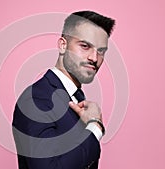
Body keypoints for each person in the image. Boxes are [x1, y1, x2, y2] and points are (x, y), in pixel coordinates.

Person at [12, 10, 115, 169]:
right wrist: (95, 127)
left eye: (101, 51)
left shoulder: (75, 98)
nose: (94, 58)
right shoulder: (36, 99)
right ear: (63, 45)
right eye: (85, 46)